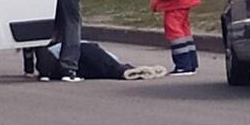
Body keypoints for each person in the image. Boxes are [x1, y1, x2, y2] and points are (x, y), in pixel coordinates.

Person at [23, 0, 83, 82]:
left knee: (38, 23)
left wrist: (28, 68)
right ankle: (69, 69)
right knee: (71, 23)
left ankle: (44, 70)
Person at [32, 41, 167, 81]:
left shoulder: (50, 51)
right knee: (104, 67)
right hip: (77, 53)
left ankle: (125, 71)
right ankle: (126, 71)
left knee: (102, 69)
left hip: (73, 57)